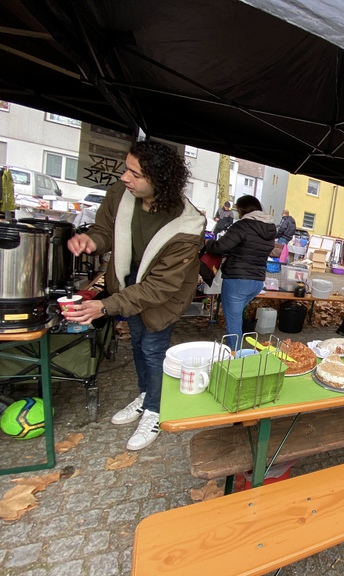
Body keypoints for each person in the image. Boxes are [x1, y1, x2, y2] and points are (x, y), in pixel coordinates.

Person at [64, 141, 205, 451]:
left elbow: (159, 287)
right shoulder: (121, 193)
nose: (125, 177)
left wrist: (105, 306)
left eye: (135, 173)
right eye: (125, 168)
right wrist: (92, 240)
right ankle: (146, 394)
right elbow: (105, 229)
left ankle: (156, 409)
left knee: (154, 349)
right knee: (138, 344)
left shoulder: (188, 225)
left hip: (163, 292)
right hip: (130, 280)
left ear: (160, 181)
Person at [205, 195, 276, 348]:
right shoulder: (270, 228)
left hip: (237, 279)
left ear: (243, 209)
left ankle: (235, 357)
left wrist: (207, 242)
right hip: (257, 281)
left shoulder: (242, 225)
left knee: (233, 321)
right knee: (235, 316)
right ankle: (235, 350)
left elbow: (220, 247)